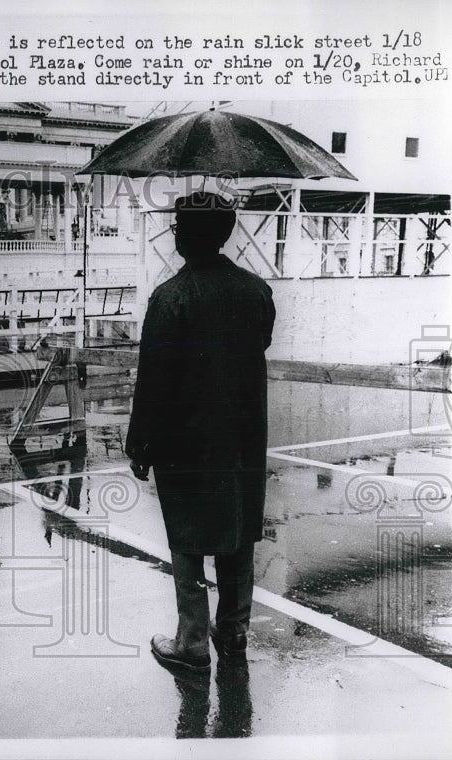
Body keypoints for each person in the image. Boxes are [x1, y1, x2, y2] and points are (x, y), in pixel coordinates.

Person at [126, 192, 275, 671]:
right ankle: (233, 632)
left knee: (188, 537)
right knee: (238, 529)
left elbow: (153, 379)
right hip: (243, 434)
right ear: (227, 234)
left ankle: (191, 641)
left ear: (184, 238)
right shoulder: (256, 292)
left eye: (177, 228)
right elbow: (262, 341)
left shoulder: (171, 298)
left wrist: (140, 445)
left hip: (184, 439)